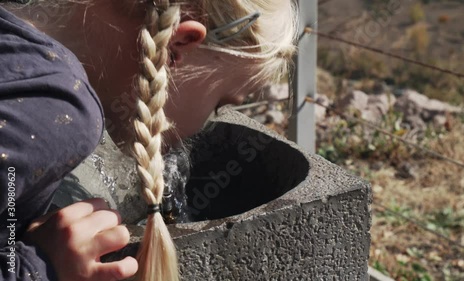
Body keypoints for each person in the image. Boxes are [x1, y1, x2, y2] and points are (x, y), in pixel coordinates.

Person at [0, 0, 297, 280]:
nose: (208, 124)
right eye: (220, 103)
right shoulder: (58, 109)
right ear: (177, 47)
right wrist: (38, 265)